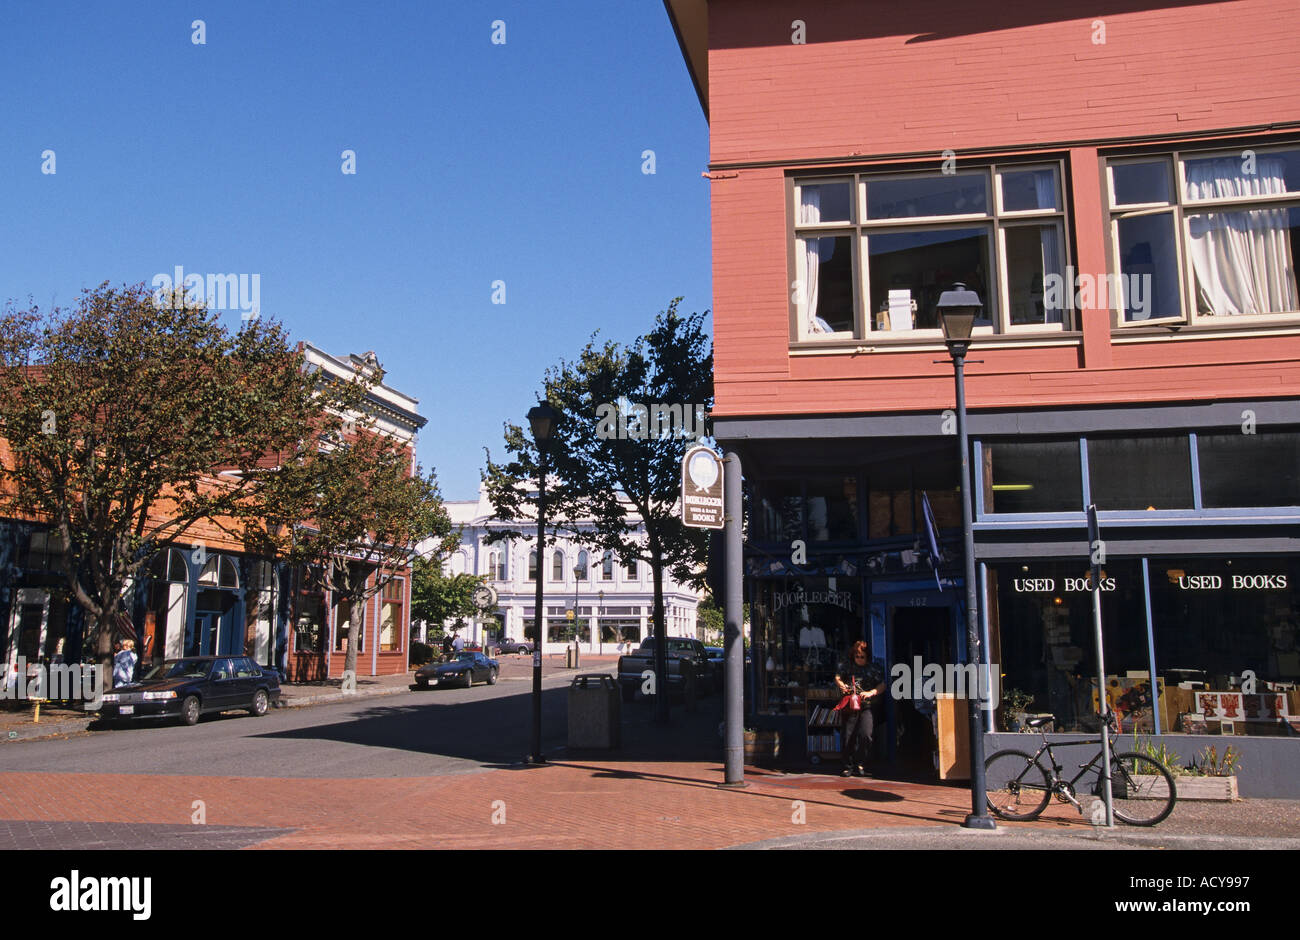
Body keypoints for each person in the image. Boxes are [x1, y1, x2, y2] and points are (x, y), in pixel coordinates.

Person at [835, 639, 886, 777]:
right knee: (848, 736)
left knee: (866, 734)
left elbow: (882, 685)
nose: (859, 659)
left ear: (867, 656)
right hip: (850, 705)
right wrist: (842, 686)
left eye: (862, 656)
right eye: (857, 656)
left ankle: (861, 762)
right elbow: (838, 677)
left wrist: (871, 692)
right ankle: (848, 765)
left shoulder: (873, 668)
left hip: (866, 706)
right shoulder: (848, 666)